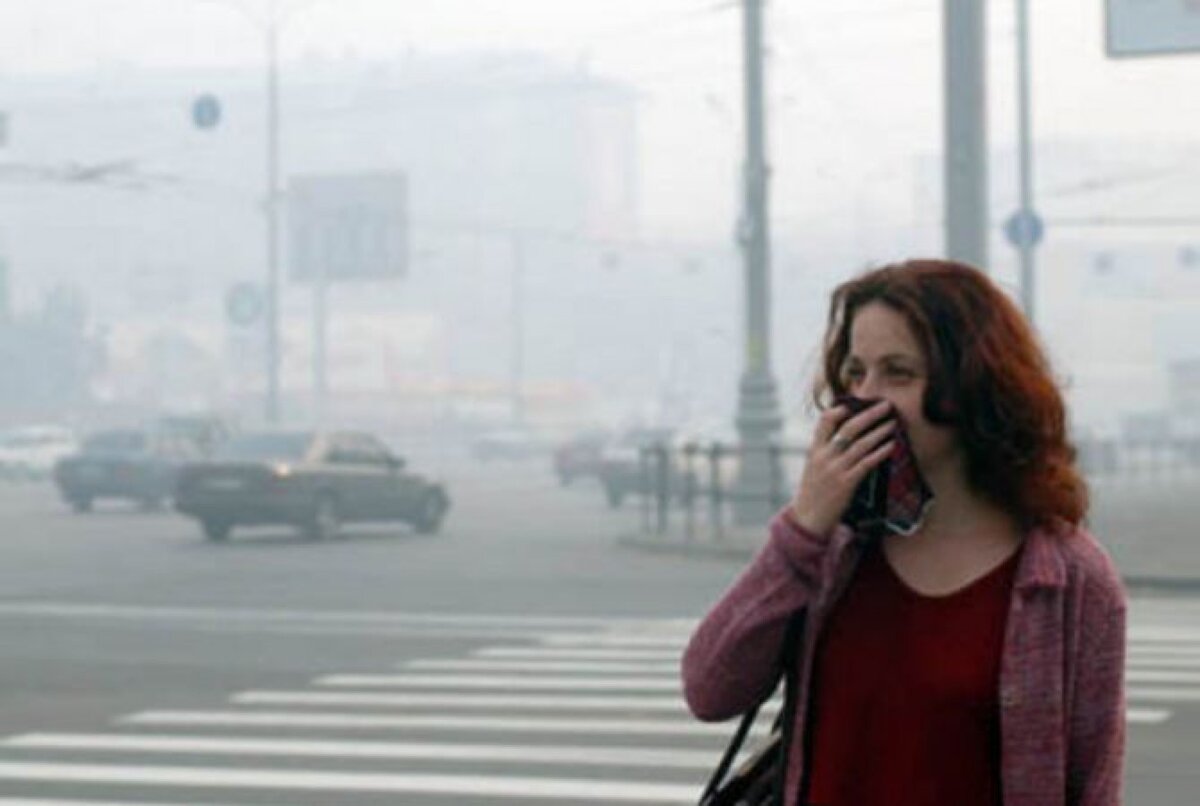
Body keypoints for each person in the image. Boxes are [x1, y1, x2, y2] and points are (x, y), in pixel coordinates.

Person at [683, 259, 1126, 806]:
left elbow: (1094, 786)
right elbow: (709, 689)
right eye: (854, 372)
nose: (867, 397)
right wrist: (804, 528)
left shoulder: (1069, 577)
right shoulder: (832, 551)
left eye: (899, 373)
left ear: (972, 387)